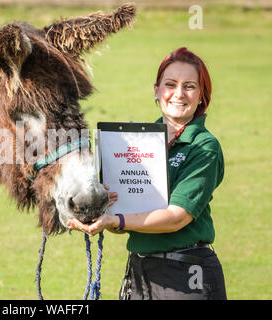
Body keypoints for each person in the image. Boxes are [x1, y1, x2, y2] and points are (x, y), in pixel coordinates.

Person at [68, 47, 227, 300]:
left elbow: (176, 218)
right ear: (156, 90)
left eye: (189, 86)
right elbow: (126, 222)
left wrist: (115, 220)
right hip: (138, 274)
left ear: (202, 96)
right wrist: (105, 210)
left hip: (187, 276)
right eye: (170, 84)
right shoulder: (137, 142)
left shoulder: (204, 146)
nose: (178, 94)